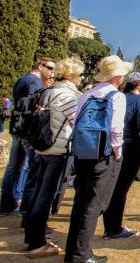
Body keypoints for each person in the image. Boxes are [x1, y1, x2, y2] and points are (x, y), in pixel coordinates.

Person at [63, 55, 131, 263]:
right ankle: (81, 256)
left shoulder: (86, 94)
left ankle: (73, 252)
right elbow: (116, 129)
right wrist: (117, 152)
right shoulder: (117, 96)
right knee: (95, 204)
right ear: (118, 76)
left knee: (81, 201)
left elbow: (74, 121)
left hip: (83, 151)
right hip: (104, 154)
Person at [24, 58, 83, 259]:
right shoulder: (66, 96)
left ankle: (31, 236)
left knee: (39, 192)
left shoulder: (47, 91)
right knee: (46, 196)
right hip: (58, 150)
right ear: (71, 75)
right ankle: (37, 243)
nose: (81, 78)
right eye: (79, 74)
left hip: (43, 147)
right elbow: (77, 121)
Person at [0, 57, 56, 217]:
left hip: (17, 127)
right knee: (32, 167)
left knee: (14, 167)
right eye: (50, 68)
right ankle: (25, 207)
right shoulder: (34, 82)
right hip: (28, 130)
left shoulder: (22, 79)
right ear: (40, 66)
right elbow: (35, 106)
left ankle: (7, 205)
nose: (52, 73)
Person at [101, 72, 140, 240]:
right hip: (131, 148)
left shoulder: (118, 97)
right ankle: (115, 228)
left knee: (113, 186)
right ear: (137, 84)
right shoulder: (139, 101)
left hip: (113, 146)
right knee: (122, 189)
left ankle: (109, 226)